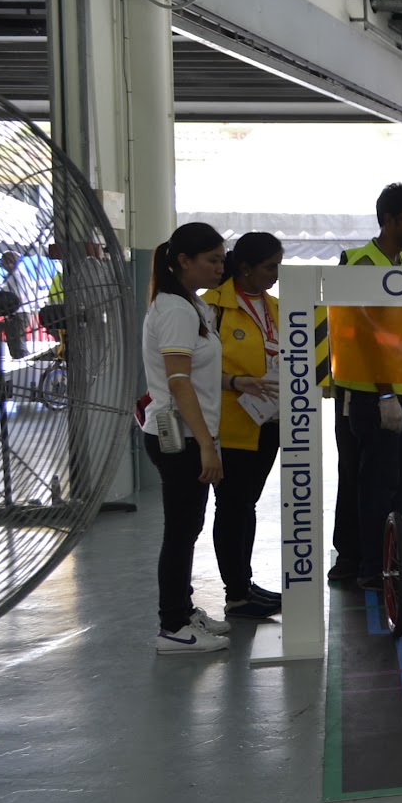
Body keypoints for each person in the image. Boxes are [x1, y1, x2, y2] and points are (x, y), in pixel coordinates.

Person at [333, 183, 402, 590]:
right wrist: (386, 393)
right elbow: (364, 335)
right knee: (375, 483)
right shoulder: (361, 265)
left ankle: (396, 555)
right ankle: (373, 567)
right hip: (370, 395)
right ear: (387, 220)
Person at [141, 222, 231, 654]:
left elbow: (195, 371)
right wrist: (206, 444)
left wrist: (237, 383)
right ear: (183, 261)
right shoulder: (176, 310)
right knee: (179, 532)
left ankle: (183, 608)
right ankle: (172, 626)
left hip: (192, 433)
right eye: (212, 260)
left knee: (188, 528)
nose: (220, 267)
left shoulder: (191, 305)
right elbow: (178, 383)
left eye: (221, 259)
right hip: (181, 438)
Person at [202, 232, 285, 620]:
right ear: (245, 268)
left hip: (270, 421)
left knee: (246, 504)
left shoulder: (278, 308)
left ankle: (244, 584)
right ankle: (235, 593)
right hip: (230, 424)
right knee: (232, 506)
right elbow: (195, 368)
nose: (275, 274)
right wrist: (236, 383)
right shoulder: (211, 307)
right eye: (269, 267)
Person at [0, 251, 32, 359]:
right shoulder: (12, 275)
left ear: (10, 262)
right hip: (14, 313)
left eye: (3, 262)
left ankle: (22, 360)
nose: (1, 265)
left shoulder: (17, 275)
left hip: (18, 313)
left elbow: (19, 297)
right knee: (13, 342)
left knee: (17, 343)